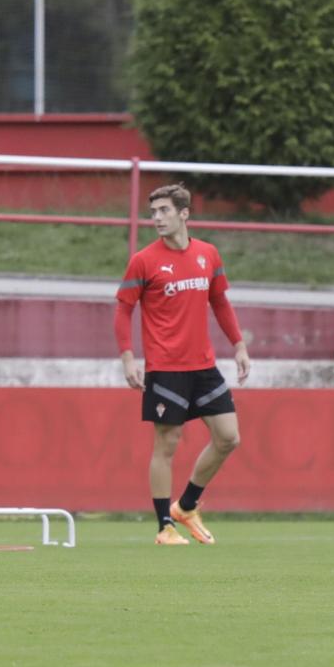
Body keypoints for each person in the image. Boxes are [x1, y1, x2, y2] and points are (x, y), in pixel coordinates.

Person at [116, 183, 250, 546]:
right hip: (165, 367)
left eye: (164, 211)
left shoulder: (208, 254)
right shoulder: (143, 260)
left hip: (203, 366)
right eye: (153, 212)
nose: (156, 218)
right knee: (167, 444)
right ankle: (164, 527)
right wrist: (129, 357)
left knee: (228, 437)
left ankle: (186, 505)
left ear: (184, 214)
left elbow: (220, 302)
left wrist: (238, 345)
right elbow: (124, 308)